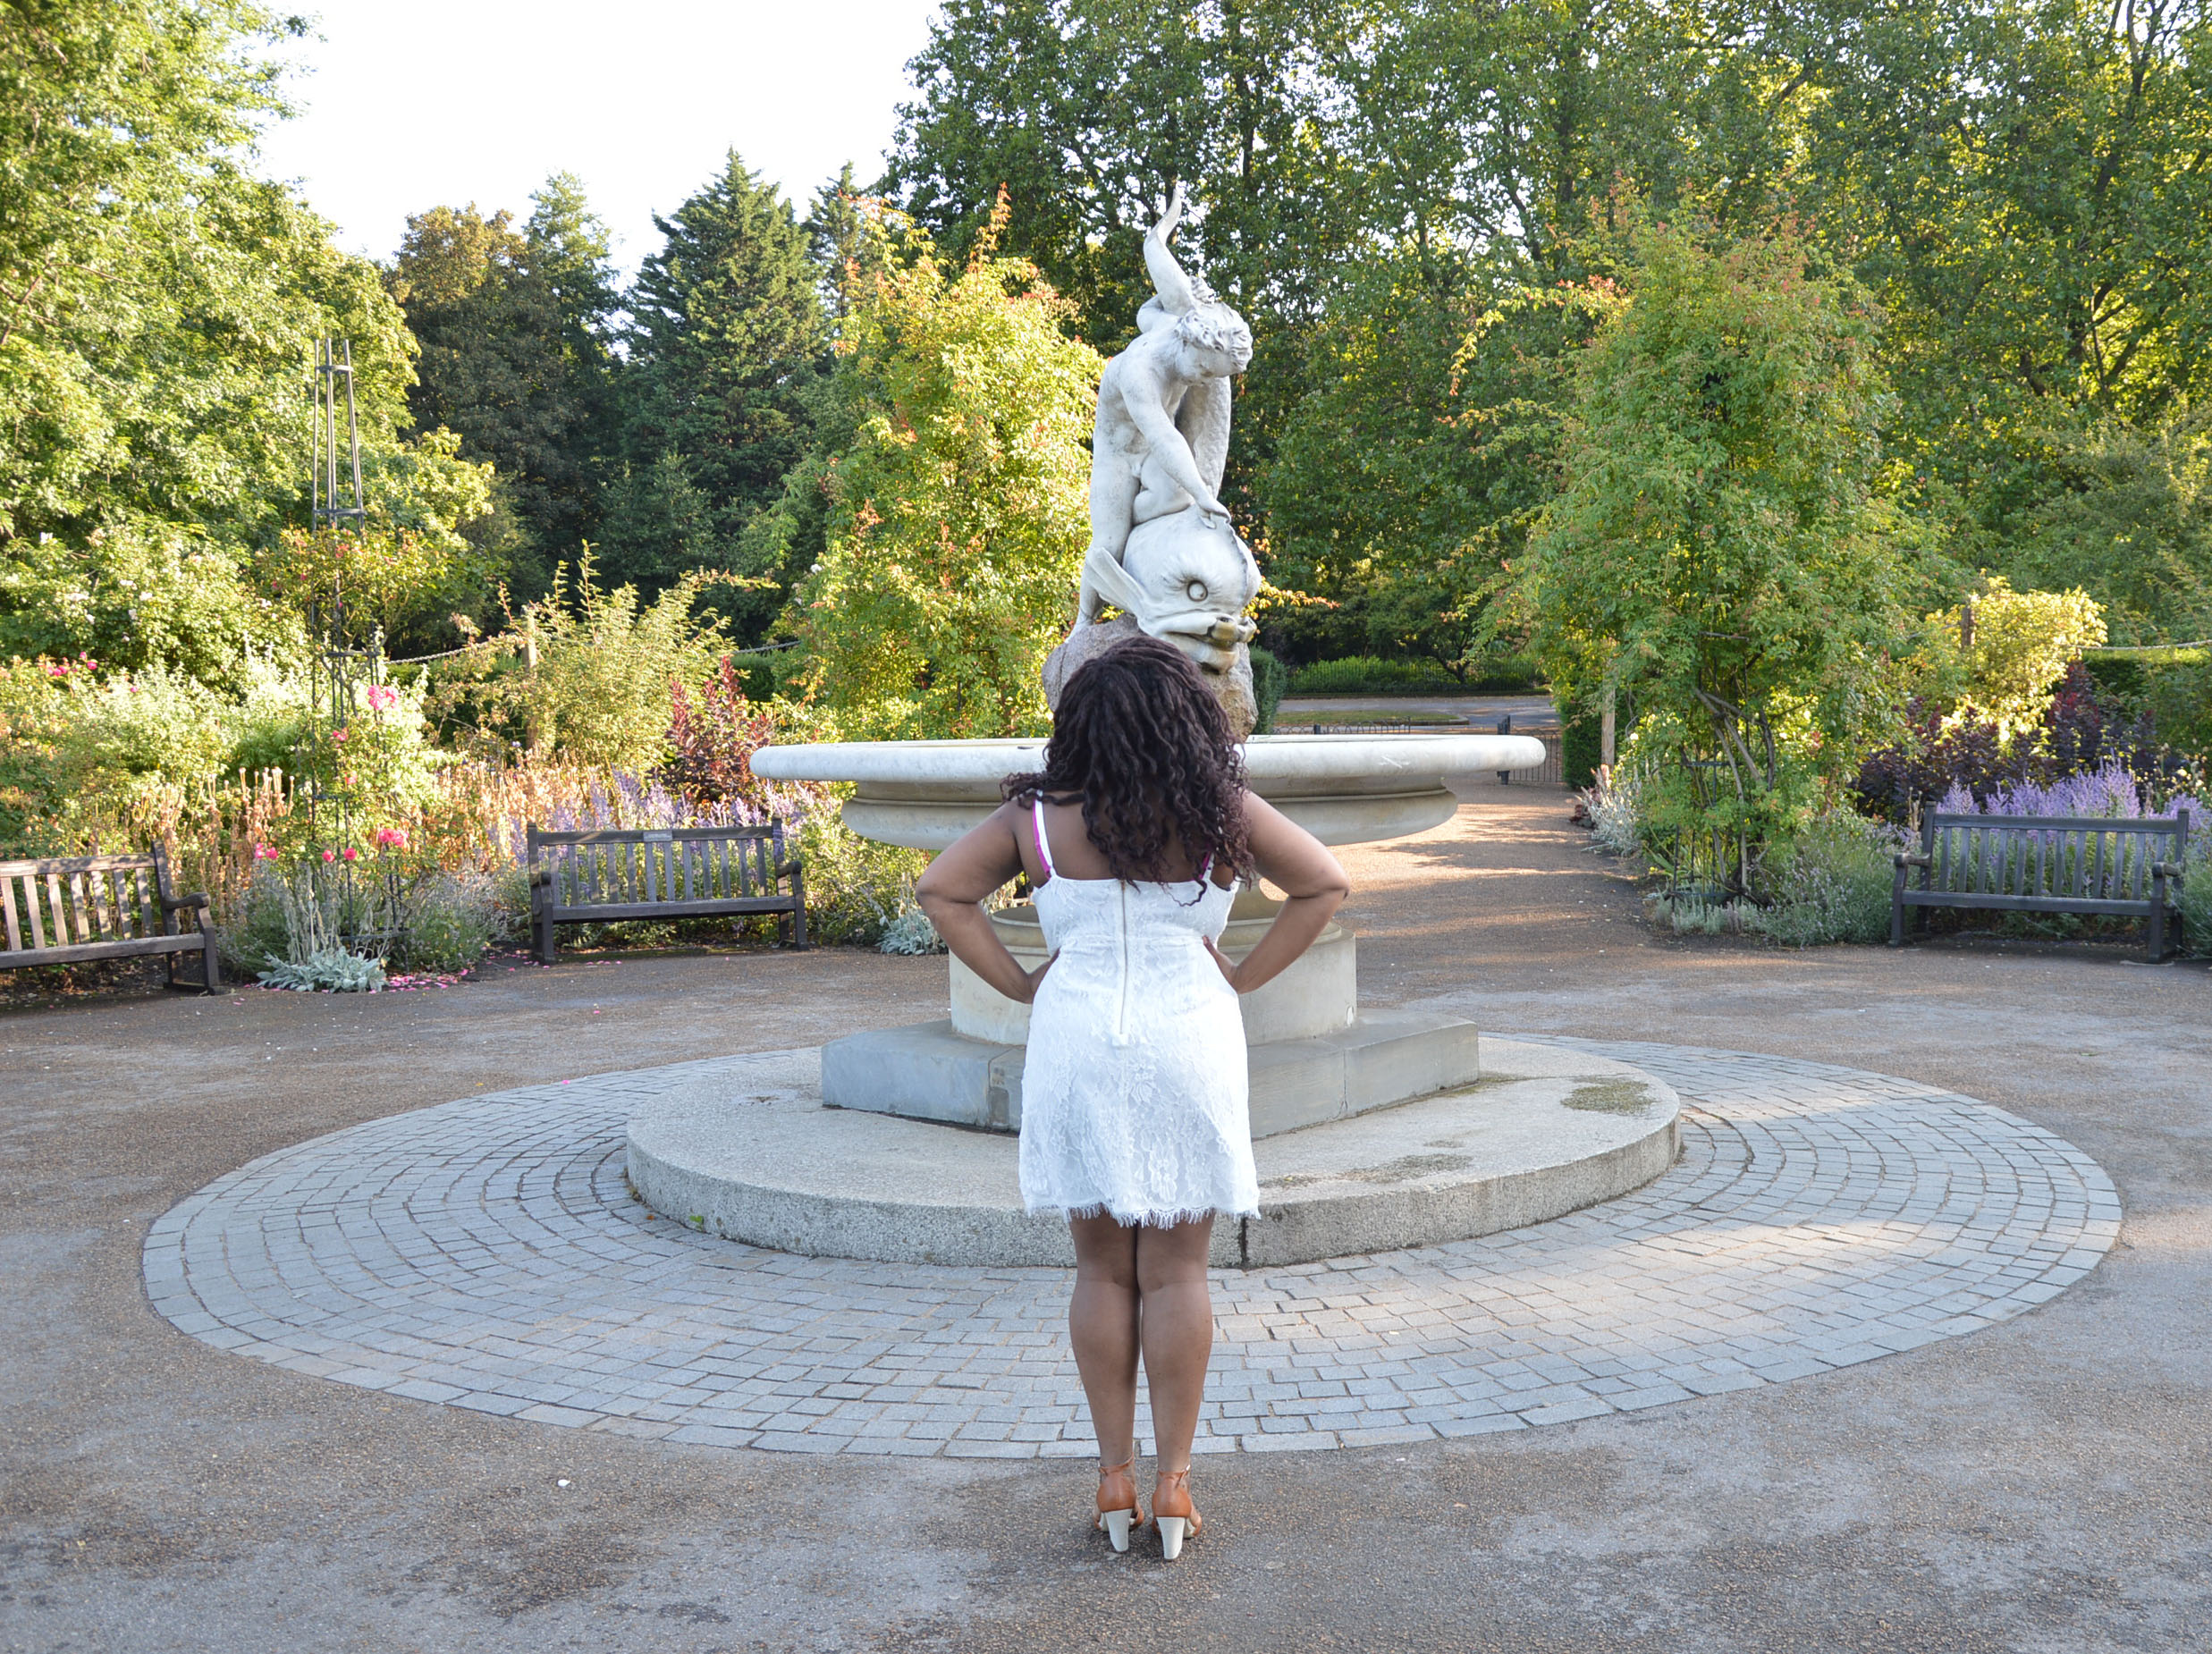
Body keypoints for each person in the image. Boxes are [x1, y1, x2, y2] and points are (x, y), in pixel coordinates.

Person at [916, 636, 1349, 1558]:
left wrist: (1021, 983)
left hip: (1076, 1040)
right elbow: (1324, 882)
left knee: (1101, 1271)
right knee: (1178, 1272)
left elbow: (941, 890)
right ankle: (1174, 1485)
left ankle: (1113, 1477)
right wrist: (1240, 975)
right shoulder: (1219, 809)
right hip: (1188, 1035)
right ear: (1186, 719)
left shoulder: (1036, 820)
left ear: (1078, 724)